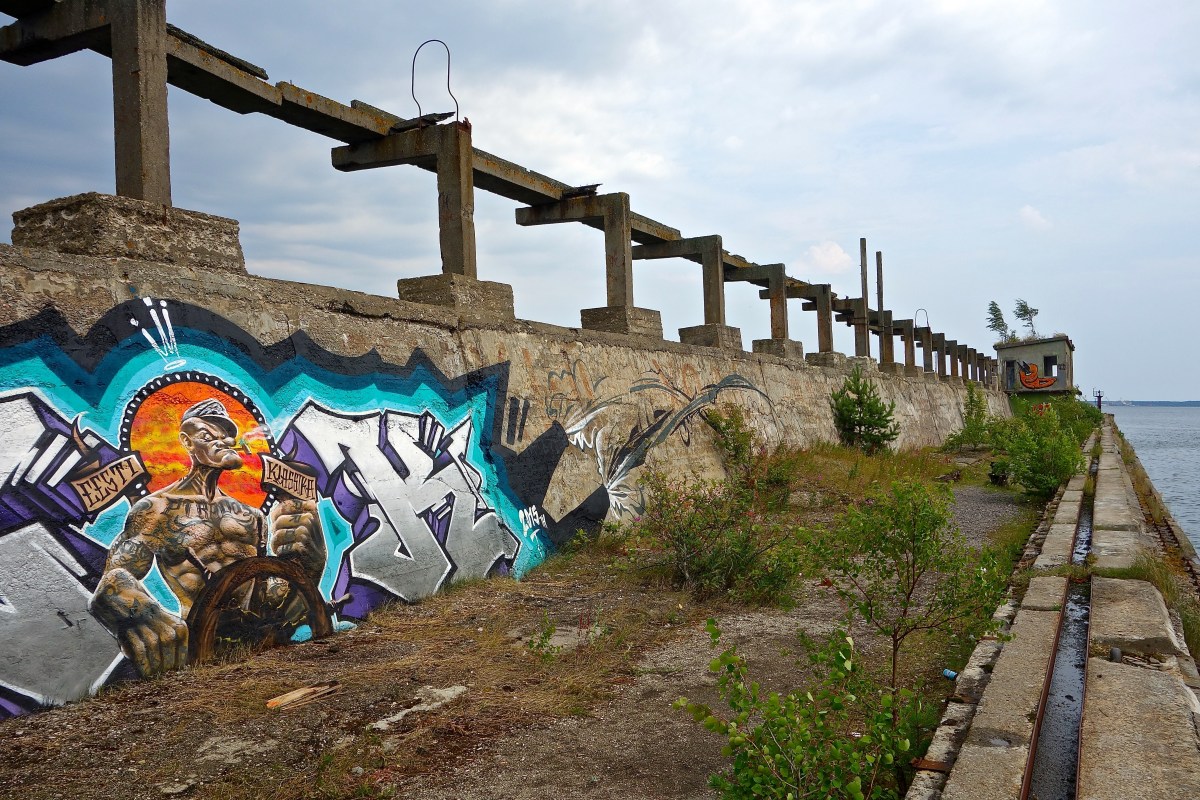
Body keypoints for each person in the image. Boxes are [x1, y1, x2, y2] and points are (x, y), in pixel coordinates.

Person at [90, 398, 325, 676]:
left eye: (226, 435)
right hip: (197, 647)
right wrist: (135, 609)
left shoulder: (251, 517)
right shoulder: (157, 510)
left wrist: (309, 564)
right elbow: (112, 580)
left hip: (256, 645)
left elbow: (263, 588)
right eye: (207, 435)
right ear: (187, 442)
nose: (222, 441)